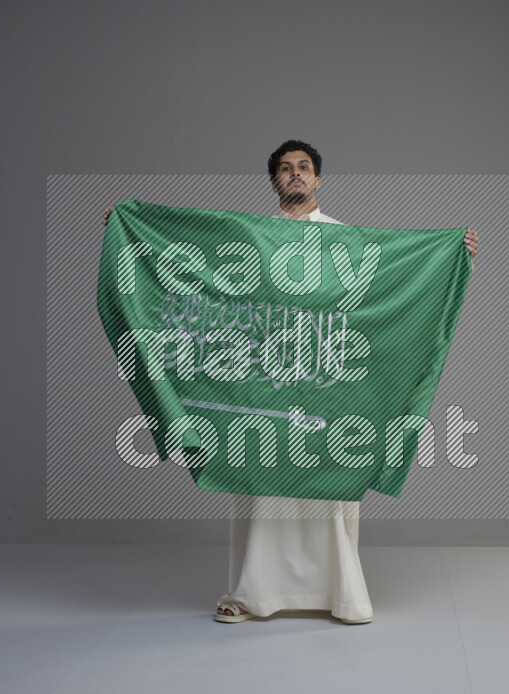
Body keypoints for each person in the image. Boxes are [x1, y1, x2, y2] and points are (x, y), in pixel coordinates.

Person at [102, 140, 479, 625]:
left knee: (329, 481)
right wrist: (127, 232)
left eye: (304, 168)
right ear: (275, 181)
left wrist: (453, 256)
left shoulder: (351, 244)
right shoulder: (248, 241)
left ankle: (343, 595)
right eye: (286, 169)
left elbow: (399, 285)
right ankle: (250, 593)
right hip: (262, 384)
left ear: (319, 180)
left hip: (328, 386)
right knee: (260, 489)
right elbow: (188, 264)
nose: (296, 174)